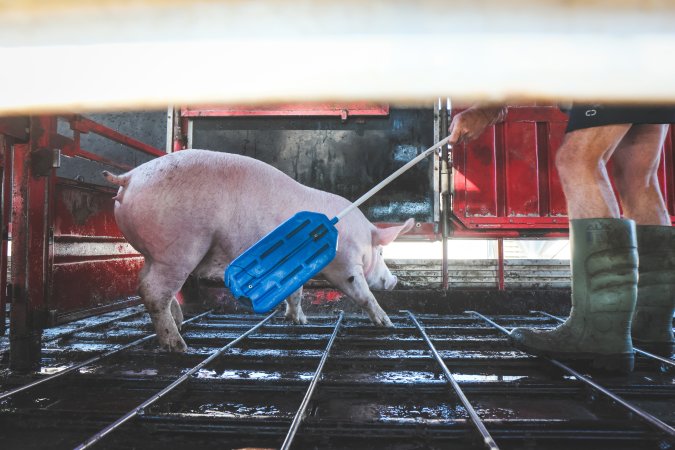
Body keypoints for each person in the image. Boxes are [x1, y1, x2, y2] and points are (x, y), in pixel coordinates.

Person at [448, 104, 675, 372]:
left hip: (612, 66)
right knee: (639, 175)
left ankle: (600, 332)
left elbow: (541, 61)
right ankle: (650, 326)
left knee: (577, 159)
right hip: (653, 69)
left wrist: (488, 109)